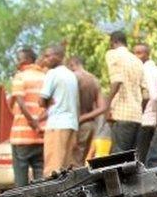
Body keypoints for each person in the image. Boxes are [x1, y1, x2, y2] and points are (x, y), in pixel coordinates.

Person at [38, 44, 79, 176]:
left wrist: (47, 102)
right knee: (66, 169)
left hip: (57, 124)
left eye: (48, 56)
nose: (45, 59)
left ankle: (48, 196)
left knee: (52, 168)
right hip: (71, 125)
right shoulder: (71, 75)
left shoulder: (52, 73)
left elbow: (41, 100)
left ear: (59, 56)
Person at [8, 47, 46, 187]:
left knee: (21, 181)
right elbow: (49, 106)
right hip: (41, 135)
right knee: (41, 178)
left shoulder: (20, 77)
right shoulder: (45, 77)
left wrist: (32, 122)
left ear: (25, 60)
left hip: (21, 136)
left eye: (18, 59)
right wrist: (38, 123)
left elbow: (19, 101)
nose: (17, 62)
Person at [105, 31, 147, 153]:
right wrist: (139, 110)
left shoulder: (113, 54)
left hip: (120, 115)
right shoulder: (137, 61)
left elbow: (116, 81)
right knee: (130, 160)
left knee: (117, 159)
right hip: (136, 117)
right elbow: (146, 94)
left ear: (113, 42)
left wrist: (107, 108)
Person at [66, 56, 106, 168]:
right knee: (82, 160)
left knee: (72, 162)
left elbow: (71, 102)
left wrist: (80, 118)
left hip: (76, 124)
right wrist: (87, 117)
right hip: (91, 125)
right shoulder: (94, 79)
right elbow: (102, 107)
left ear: (72, 64)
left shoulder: (73, 78)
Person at [133, 43, 157, 164]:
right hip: (156, 120)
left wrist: (142, 110)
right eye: (135, 53)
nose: (136, 56)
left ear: (147, 54)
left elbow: (152, 96)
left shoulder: (144, 70)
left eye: (139, 53)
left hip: (145, 120)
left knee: (140, 159)